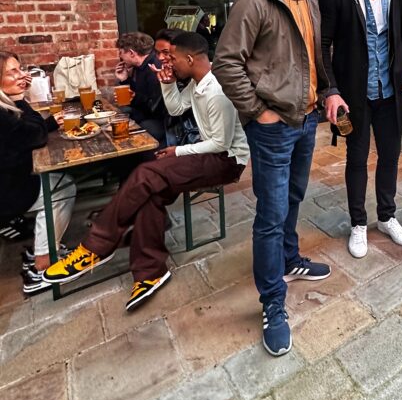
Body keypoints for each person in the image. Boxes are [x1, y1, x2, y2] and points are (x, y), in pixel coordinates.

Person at [44, 32, 248, 311]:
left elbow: (220, 143)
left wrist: (177, 151)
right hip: (206, 153)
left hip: (226, 160)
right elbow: (176, 109)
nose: (167, 63)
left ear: (190, 59)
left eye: (172, 58)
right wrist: (167, 85)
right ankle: (150, 272)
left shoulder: (217, 90)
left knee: (146, 174)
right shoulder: (196, 83)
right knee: (150, 190)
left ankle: (96, 246)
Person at [213, 0, 331, 357]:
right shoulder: (254, 3)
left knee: (294, 198)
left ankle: (289, 259)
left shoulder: (310, 3)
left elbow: (315, 61)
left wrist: (327, 92)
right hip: (273, 127)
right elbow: (226, 62)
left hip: (306, 120)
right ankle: (272, 302)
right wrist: (257, 111)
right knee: (271, 213)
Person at [320, 0, 402, 259]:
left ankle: (387, 216)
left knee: (390, 156)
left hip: (389, 92)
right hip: (353, 96)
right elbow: (322, 44)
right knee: (356, 159)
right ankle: (358, 223)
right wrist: (331, 89)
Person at [0, 51, 76, 295]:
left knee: (61, 179)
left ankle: (43, 248)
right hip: (6, 192)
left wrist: (49, 123)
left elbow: (27, 130)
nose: (21, 75)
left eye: (20, 69)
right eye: (12, 72)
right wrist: (22, 99)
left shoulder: (5, 106)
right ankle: (42, 266)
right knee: (62, 188)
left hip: (10, 180)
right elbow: (34, 135)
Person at [114, 31, 168, 144]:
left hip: (161, 119)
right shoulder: (138, 67)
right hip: (145, 112)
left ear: (131, 53)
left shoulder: (154, 67)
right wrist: (124, 80)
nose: (120, 57)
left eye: (121, 53)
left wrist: (134, 97)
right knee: (120, 114)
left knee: (139, 128)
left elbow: (155, 107)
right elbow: (136, 94)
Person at [154, 29, 200, 146]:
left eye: (166, 52)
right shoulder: (170, 73)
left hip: (194, 139)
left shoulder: (200, 76)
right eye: (157, 53)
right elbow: (170, 110)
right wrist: (166, 83)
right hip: (176, 134)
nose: (160, 58)